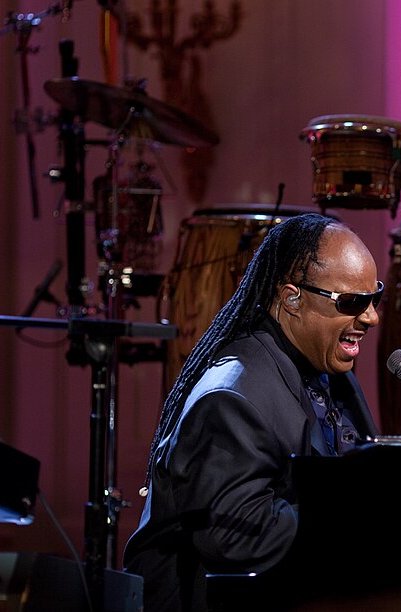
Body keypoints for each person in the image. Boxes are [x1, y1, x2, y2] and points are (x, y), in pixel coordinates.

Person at [123, 213, 382, 611]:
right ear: (292, 298)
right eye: (352, 302)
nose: (371, 317)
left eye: (374, 297)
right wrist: (365, 519)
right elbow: (237, 537)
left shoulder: (325, 370)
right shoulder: (231, 396)